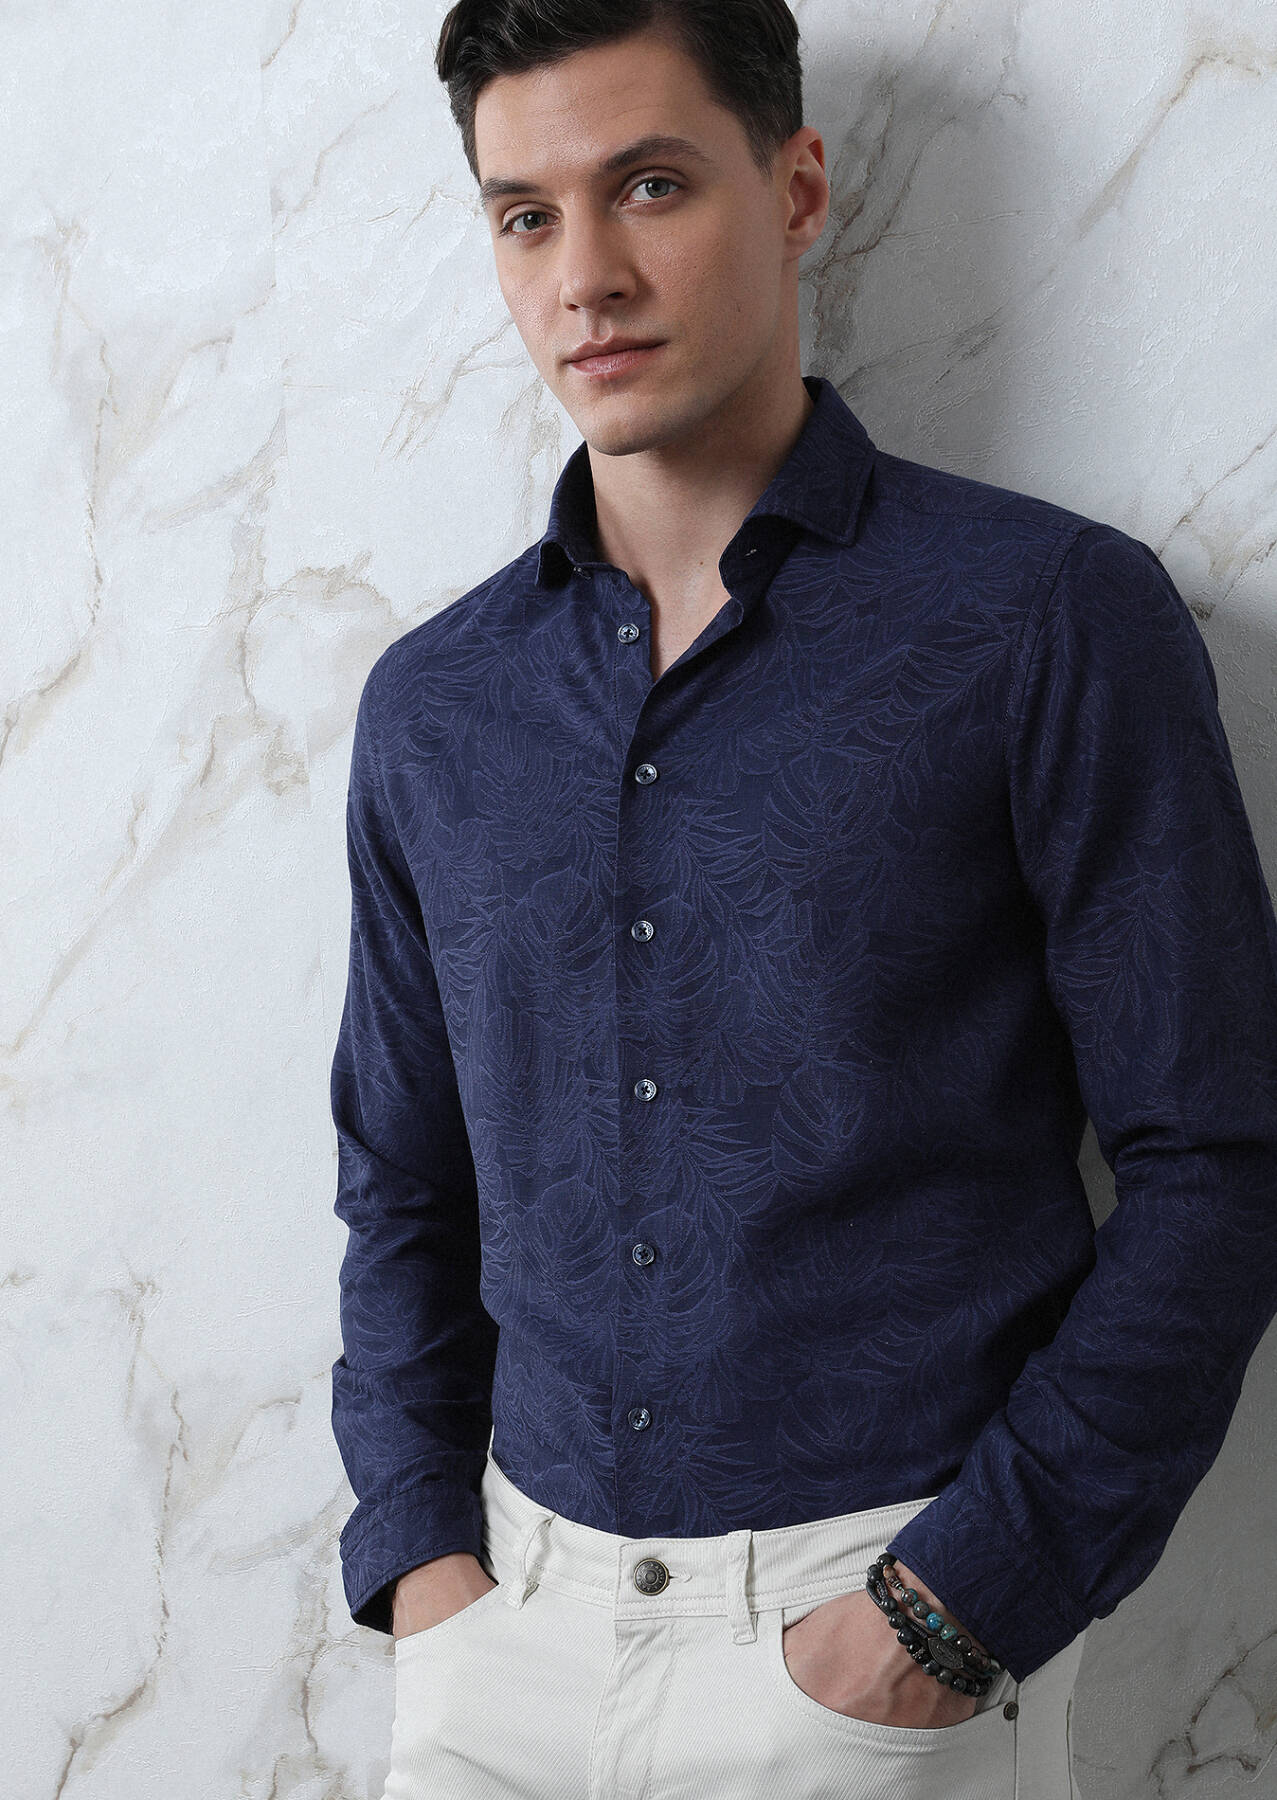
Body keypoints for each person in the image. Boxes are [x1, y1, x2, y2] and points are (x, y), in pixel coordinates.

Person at [327, 4, 1277, 1796]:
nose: (584, 277)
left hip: (876, 1642)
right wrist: (423, 1567)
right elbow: (400, 1178)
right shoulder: (434, 708)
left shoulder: (1042, 622)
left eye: (650, 185)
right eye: (525, 215)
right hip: (501, 1641)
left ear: (796, 189)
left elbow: (1219, 1157)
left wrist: (946, 1614)